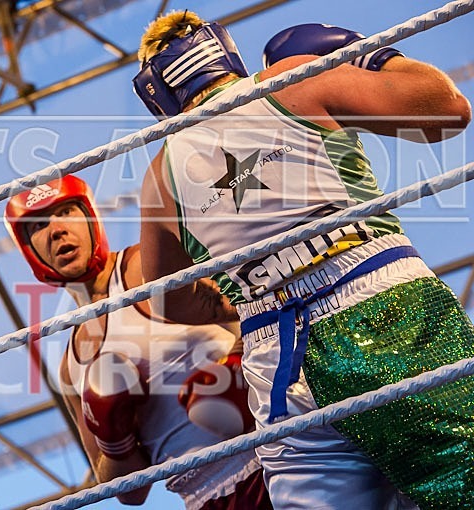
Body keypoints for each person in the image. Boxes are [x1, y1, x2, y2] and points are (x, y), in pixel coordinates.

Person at [136, 10, 473, 510]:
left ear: (155, 94)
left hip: (275, 368)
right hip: (383, 311)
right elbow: (446, 110)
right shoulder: (289, 80)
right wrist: (373, 55)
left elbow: (167, 305)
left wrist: (251, 290)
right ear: (225, 53)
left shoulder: (159, 178)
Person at [4, 175, 272, 509]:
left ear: (91, 219)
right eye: (39, 225)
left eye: (66, 212)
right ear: (29, 250)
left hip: (276, 451)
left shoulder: (148, 268)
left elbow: (260, 302)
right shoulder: (72, 368)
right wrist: (114, 438)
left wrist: (235, 367)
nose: (56, 229)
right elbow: (129, 492)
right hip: (206, 500)